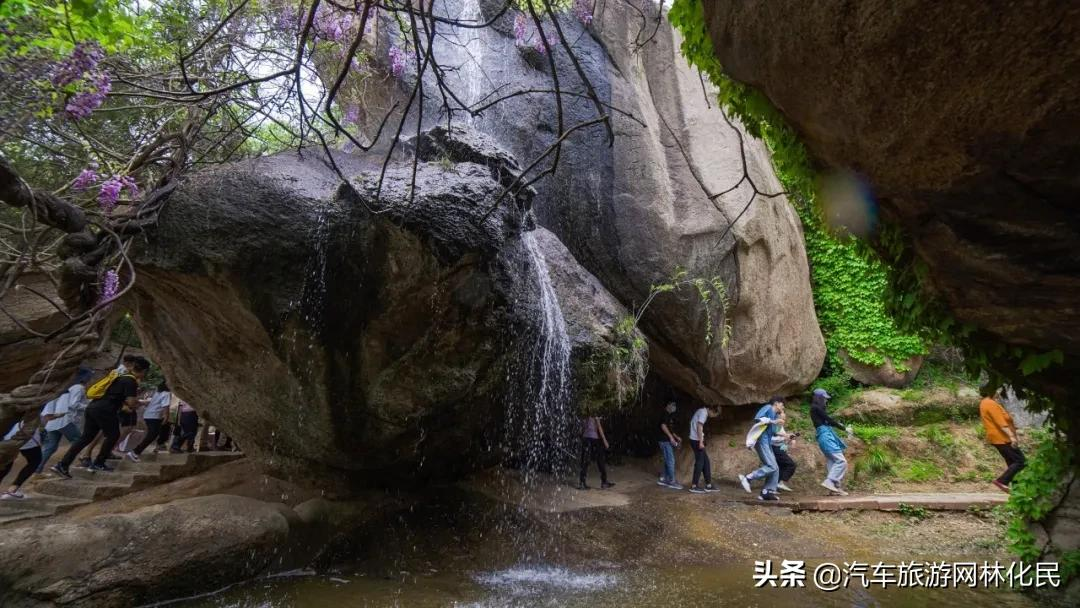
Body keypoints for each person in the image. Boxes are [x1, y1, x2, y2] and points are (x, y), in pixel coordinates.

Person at [52, 356, 149, 477]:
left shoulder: (119, 377)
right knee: (113, 435)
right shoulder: (131, 381)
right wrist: (142, 403)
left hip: (93, 407)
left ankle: (62, 464)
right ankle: (99, 462)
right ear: (144, 371)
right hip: (106, 410)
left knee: (85, 438)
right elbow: (131, 403)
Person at [37, 370, 91, 472]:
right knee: (79, 441)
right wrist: (89, 405)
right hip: (66, 421)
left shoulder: (67, 388)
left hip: (54, 421)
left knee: (50, 447)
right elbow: (73, 404)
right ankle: (78, 463)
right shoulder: (79, 388)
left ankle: (37, 470)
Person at [979, 386, 1025, 493]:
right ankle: (1002, 481)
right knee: (1020, 461)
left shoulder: (986, 403)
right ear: (991, 391)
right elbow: (1001, 423)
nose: (998, 392)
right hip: (1002, 438)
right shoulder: (990, 403)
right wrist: (1012, 437)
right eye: (996, 390)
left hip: (999, 438)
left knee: (1012, 462)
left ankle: (1017, 490)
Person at [738, 396, 784, 501]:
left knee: (775, 468)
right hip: (761, 441)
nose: (783, 407)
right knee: (772, 466)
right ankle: (748, 478)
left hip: (767, 442)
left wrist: (786, 436)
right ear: (776, 403)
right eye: (782, 404)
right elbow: (758, 419)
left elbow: (772, 432)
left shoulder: (774, 415)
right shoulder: (768, 407)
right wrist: (773, 421)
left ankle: (767, 492)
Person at [810, 388, 851, 496]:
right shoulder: (815, 408)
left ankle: (835, 489)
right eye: (824, 398)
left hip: (824, 436)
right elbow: (829, 420)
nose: (826, 401)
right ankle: (830, 481)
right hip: (825, 437)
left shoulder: (817, 409)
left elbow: (827, 420)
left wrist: (842, 427)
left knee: (832, 462)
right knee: (841, 461)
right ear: (818, 398)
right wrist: (844, 428)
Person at [126, 381, 172, 461]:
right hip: (154, 416)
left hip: (149, 415)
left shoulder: (158, 392)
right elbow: (166, 406)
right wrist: (166, 416)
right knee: (152, 434)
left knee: (155, 433)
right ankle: (135, 452)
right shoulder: (166, 393)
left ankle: (138, 451)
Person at [1, 422, 43, 499]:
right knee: (35, 460)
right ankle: (12, 490)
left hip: (9, 432)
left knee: (7, 462)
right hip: (25, 432)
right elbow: (45, 417)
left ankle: (11, 491)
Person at [687, 405, 720, 494]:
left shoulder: (702, 411)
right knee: (700, 462)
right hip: (696, 440)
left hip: (696, 439)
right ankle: (694, 486)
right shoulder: (703, 413)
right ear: (712, 410)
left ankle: (708, 485)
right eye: (715, 414)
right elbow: (699, 427)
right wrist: (701, 442)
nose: (713, 416)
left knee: (706, 461)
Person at [578, 415, 613, 490]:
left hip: (586, 439)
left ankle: (582, 483)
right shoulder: (595, 412)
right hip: (595, 439)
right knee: (600, 460)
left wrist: (582, 436)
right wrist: (604, 440)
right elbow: (599, 426)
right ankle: (604, 482)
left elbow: (582, 428)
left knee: (585, 461)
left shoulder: (585, 413)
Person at [657, 401, 682, 489]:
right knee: (671, 460)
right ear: (668, 405)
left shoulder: (669, 416)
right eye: (673, 405)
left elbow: (670, 429)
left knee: (667, 460)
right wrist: (671, 438)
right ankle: (672, 481)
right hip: (664, 441)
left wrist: (676, 437)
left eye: (675, 405)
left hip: (666, 440)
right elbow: (663, 426)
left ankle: (663, 479)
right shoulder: (664, 414)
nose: (674, 407)